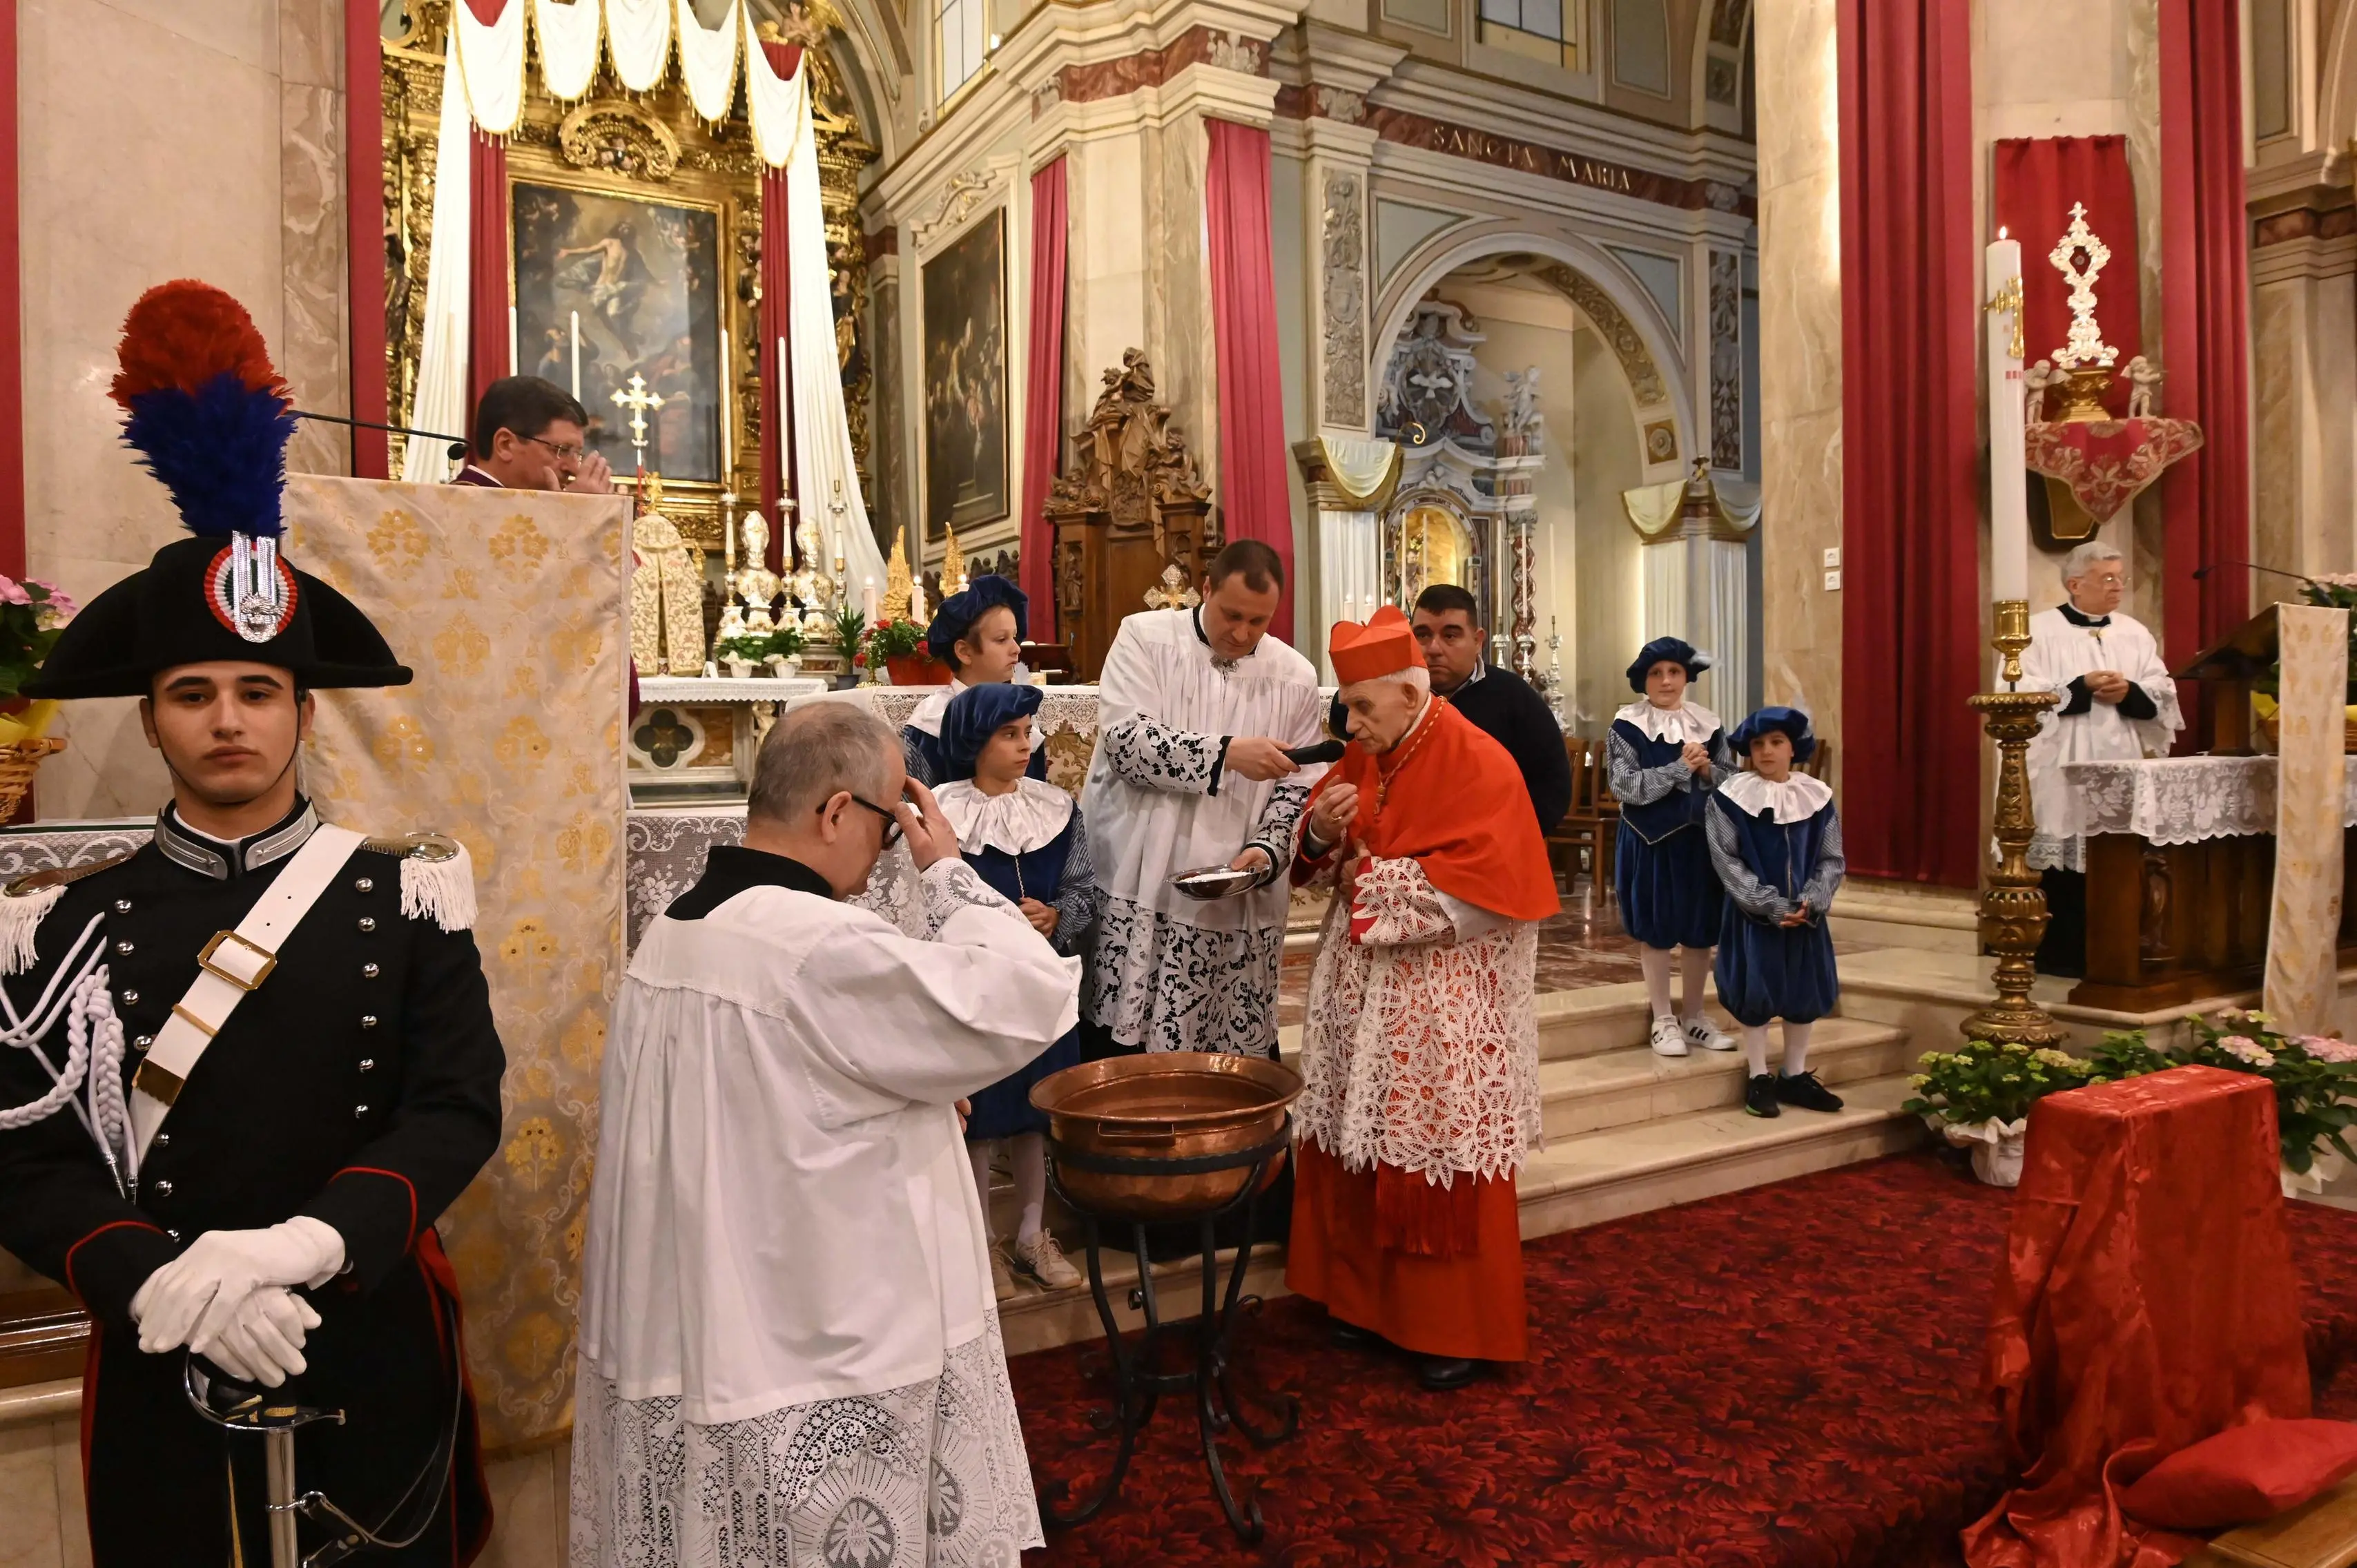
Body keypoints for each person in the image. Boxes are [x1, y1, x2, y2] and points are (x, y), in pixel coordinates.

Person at [0, 280, 503, 1565]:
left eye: (257, 690)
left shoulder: (408, 893)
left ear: (304, 711)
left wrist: (308, 1241)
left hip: (367, 1322)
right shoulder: (60, 925)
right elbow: (26, 1157)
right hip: (165, 1337)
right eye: (192, 692)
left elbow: (456, 1108)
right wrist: (151, 1278)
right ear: (151, 717)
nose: (227, 719)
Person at [572, 701, 1079, 1568]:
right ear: (839, 811)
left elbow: (783, 1095)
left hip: (706, 1319)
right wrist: (947, 871)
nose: (885, 855)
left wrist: (921, 1093)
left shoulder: (676, 932)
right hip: (819, 1337)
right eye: (887, 827)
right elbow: (1029, 993)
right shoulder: (817, 944)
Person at [1286, 606, 1559, 1392]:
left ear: (1410, 696)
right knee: (1353, 1130)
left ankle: (1447, 1323)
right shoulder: (1368, 750)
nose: (1350, 724)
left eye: (1361, 707)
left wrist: (1370, 879)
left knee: (1429, 1143)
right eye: (1346, 707)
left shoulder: (1480, 760)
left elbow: (1497, 885)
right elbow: (1318, 846)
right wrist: (1320, 832)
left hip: (1439, 994)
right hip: (1359, 988)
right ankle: (1357, 1298)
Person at [1080, 539, 1325, 1057]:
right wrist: (1228, 753)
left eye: (1258, 621)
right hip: (1145, 871)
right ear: (1206, 589)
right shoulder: (1145, 638)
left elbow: (1299, 785)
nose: (1242, 633)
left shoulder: (1295, 676)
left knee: (1228, 1054)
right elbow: (1126, 745)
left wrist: (1267, 849)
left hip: (1237, 891)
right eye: (1231, 615)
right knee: (1126, 1050)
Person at [933, 682, 1096, 1295]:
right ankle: (982, 1244)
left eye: (1028, 732)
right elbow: (930, 893)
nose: (1026, 745)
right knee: (982, 1115)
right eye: (1009, 734)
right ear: (975, 741)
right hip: (977, 986)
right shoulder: (944, 813)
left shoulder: (1058, 809)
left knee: (1034, 1113)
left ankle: (1032, 1234)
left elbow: (1082, 888)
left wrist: (1057, 917)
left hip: (1040, 986)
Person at [2020, 541, 2182, 976]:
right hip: (2060, 766)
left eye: (2121, 578)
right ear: (2075, 584)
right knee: (2064, 856)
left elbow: (2162, 691)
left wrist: (2130, 692)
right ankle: (2062, 958)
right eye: (2107, 578)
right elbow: (2019, 693)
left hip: (2120, 762)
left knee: (2115, 857)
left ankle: (2115, 952)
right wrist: (2080, 687)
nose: (2118, 587)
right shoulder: (2038, 631)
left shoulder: (2134, 632)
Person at [1707, 707, 1848, 1119]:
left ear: (1793, 748)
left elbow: (1831, 859)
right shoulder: (1730, 800)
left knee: (1804, 991)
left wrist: (1812, 900)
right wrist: (1768, 903)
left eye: (1776, 742)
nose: (1767, 752)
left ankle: (1795, 1074)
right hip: (1753, 918)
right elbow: (1727, 860)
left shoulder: (1818, 799)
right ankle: (1758, 1076)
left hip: (1806, 918)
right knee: (1755, 992)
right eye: (1758, 744)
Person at [1609, 637, 1739, 1058]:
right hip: (1651, 840)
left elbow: (1734, 782)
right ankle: (1663, 1019)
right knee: (1658, 929)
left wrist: (1707, 770)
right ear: (1644, 680)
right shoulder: (1627, 726)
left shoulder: (1709, 724)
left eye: (1675, 672)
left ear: (1687, 677)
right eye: (1656, 673)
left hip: (1700, 840)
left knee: (1700, 931)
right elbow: (1624, 786)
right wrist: (1679, 768)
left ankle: (1695, 1016)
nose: (1666, 681)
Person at [1408, 584, 1571, 833]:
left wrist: (1508, 837)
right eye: (1422, 635)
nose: (1434, 649)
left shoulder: (1514, 697)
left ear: (1478, 641)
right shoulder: (1396, 697)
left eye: (1450, 636)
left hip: (1495, 844)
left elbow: (1552, 785)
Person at [901, 573, 1044, 786]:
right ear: (964, 652)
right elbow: (918, 798)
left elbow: (1035, 791)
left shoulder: (1020, 709)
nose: (1016, 649)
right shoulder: (932, 721)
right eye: (1001, 639)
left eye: (1014, 637)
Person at [453, 374, 616, 493]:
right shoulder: (463, 507)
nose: (574, 469)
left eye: (577, 454)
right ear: (505, 445)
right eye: (562, 450)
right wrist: (575, 511)